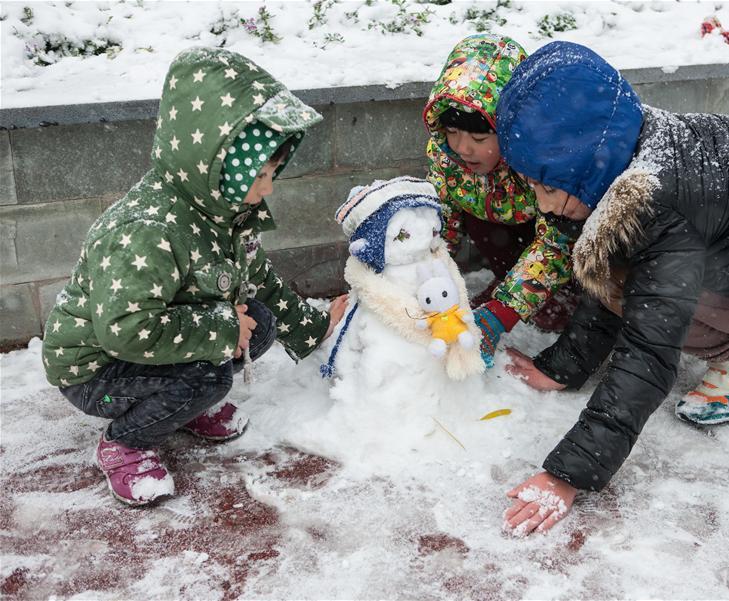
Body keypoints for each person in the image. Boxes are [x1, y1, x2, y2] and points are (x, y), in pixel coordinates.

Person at [494, 41, 729, 535]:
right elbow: (609, 267)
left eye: (547, 186)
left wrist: (567, 473)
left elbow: (649, 351)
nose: (542, 205)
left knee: (649, 299)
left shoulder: (665, 204)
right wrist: (560, 370)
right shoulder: (627, 146)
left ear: (589, 166)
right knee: (630, 278)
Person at [42, 47, 348, 506]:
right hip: (97, 372)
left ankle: (182, 408)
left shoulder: (222, 208)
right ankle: (125, 443)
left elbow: (258, 279)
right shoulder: (147, 230)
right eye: (259, 175)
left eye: (273, 174)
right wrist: (223, 330)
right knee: (209, 376)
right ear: (216, 160)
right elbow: (127, 330)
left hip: (156, 345)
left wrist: (315, 324)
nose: (266, 189)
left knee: (258, 322)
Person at [422, 34, 579, 365]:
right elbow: (439, 221)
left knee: (562, 313)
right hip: (501, 240)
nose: (463, 148)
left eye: (479, 137)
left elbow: (556, 244)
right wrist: (428, 281)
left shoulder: (540, 160)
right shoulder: (446, 156)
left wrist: (501, 313)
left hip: (553, 250)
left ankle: (552, 297)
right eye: (452, 133)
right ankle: (507, 280)